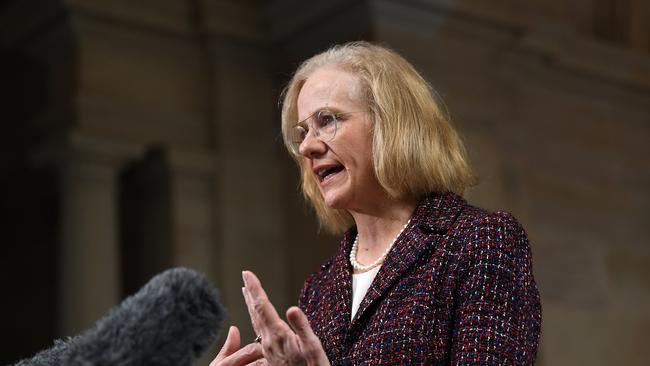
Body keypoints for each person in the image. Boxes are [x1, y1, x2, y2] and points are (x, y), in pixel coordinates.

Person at [211, 41, 541, 365]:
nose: (308, 146)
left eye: (327, 120)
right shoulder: (320, 288)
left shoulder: (480, 240)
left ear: (390, 124)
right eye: (303, 132)